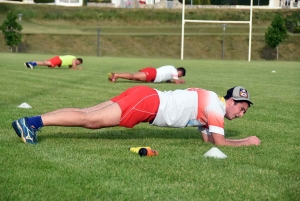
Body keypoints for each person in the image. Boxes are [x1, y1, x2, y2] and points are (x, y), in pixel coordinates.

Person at [11, 85, 260, 147]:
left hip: (146, 96)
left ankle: (31, 122)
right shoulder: (215, 109)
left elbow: (207, 140)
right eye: (240, 109)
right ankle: (30, 124)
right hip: (149, 104)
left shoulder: (211, 100)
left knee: (87, 113)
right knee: (90, 120)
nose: (240, 114)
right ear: (230, 101)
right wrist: (246, 141)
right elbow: (219, 143)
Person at [108, 65, 186, 84]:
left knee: (133, 76)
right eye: (180, 75)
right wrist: (180, 81)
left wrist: (173, 81)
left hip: (152, 71)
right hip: (153, 74)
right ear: (180, 72)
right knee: (133, 76)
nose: (179, 76)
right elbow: (177, 83)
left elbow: (167, 80)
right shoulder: (174, 71)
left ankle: (116, 76)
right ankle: (116, 75)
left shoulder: (171, 68)